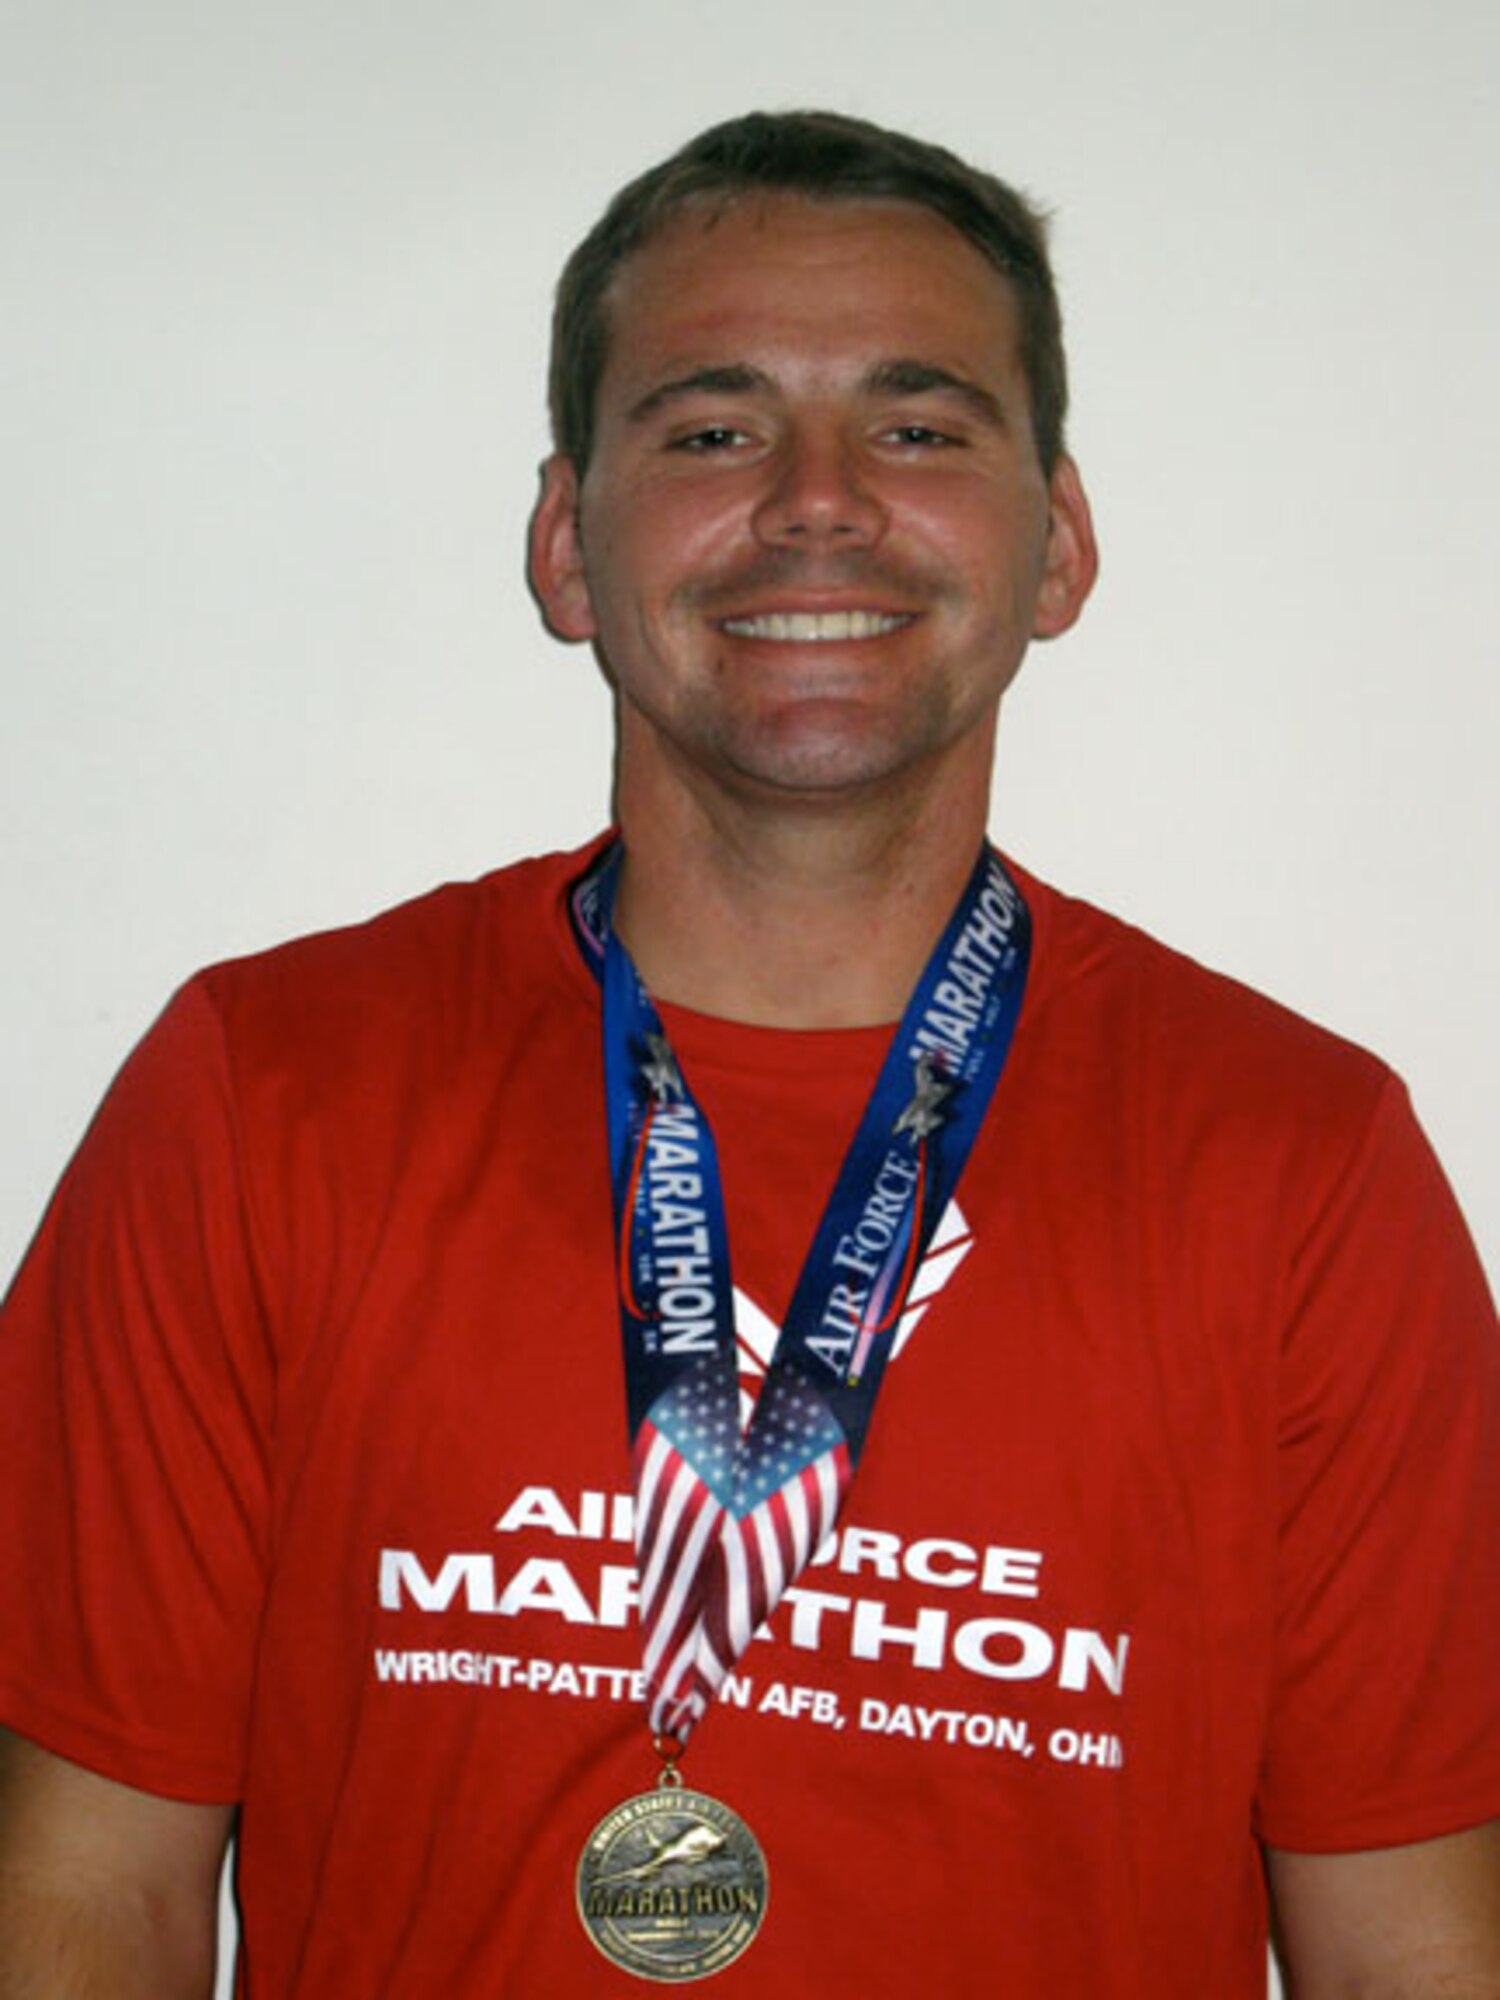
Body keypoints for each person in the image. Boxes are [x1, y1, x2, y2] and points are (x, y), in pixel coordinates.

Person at [0, 108, 1496, 1999]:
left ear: (1061, 543)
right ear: (566, 541)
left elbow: (1413, 1956)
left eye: (919, 426)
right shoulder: (258, 1093)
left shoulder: (1302, 1164)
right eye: (711, 428)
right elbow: (85, 1902)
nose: (814, 499)